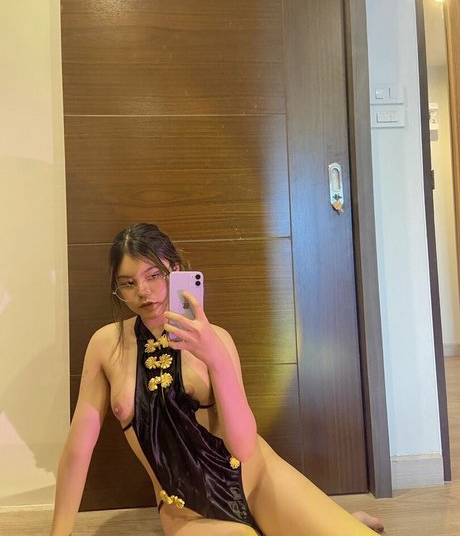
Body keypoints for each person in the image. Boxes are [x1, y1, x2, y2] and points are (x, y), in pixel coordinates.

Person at [50, 223, 385, 536]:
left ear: (175, 270)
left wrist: (215, 356)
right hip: (185, 509)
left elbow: (244, 445)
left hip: (257, 478)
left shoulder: (217, 339)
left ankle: (339, 521)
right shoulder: (106, 345)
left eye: (154, 275)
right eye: (128, 283)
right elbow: (78, 450)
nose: (144, 291)